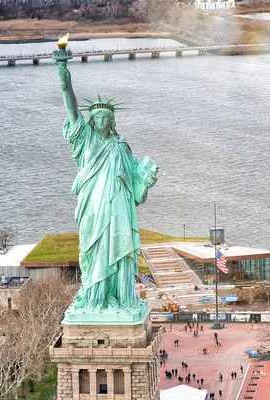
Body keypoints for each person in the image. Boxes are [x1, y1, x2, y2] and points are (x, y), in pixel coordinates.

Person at [56, 59, 159, 311]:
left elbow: (136, 182)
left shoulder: (121, 146)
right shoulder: (85, 141)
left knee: (120, 249)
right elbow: (72, 112)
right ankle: (96, 298)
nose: (101, 120)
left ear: (112, 121)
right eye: (97, 116)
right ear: (91, 121)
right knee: (94, 251)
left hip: (120, 207)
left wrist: (147, 179)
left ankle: (121, 297)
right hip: (93, 206)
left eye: (105, 117)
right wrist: (65, 84)